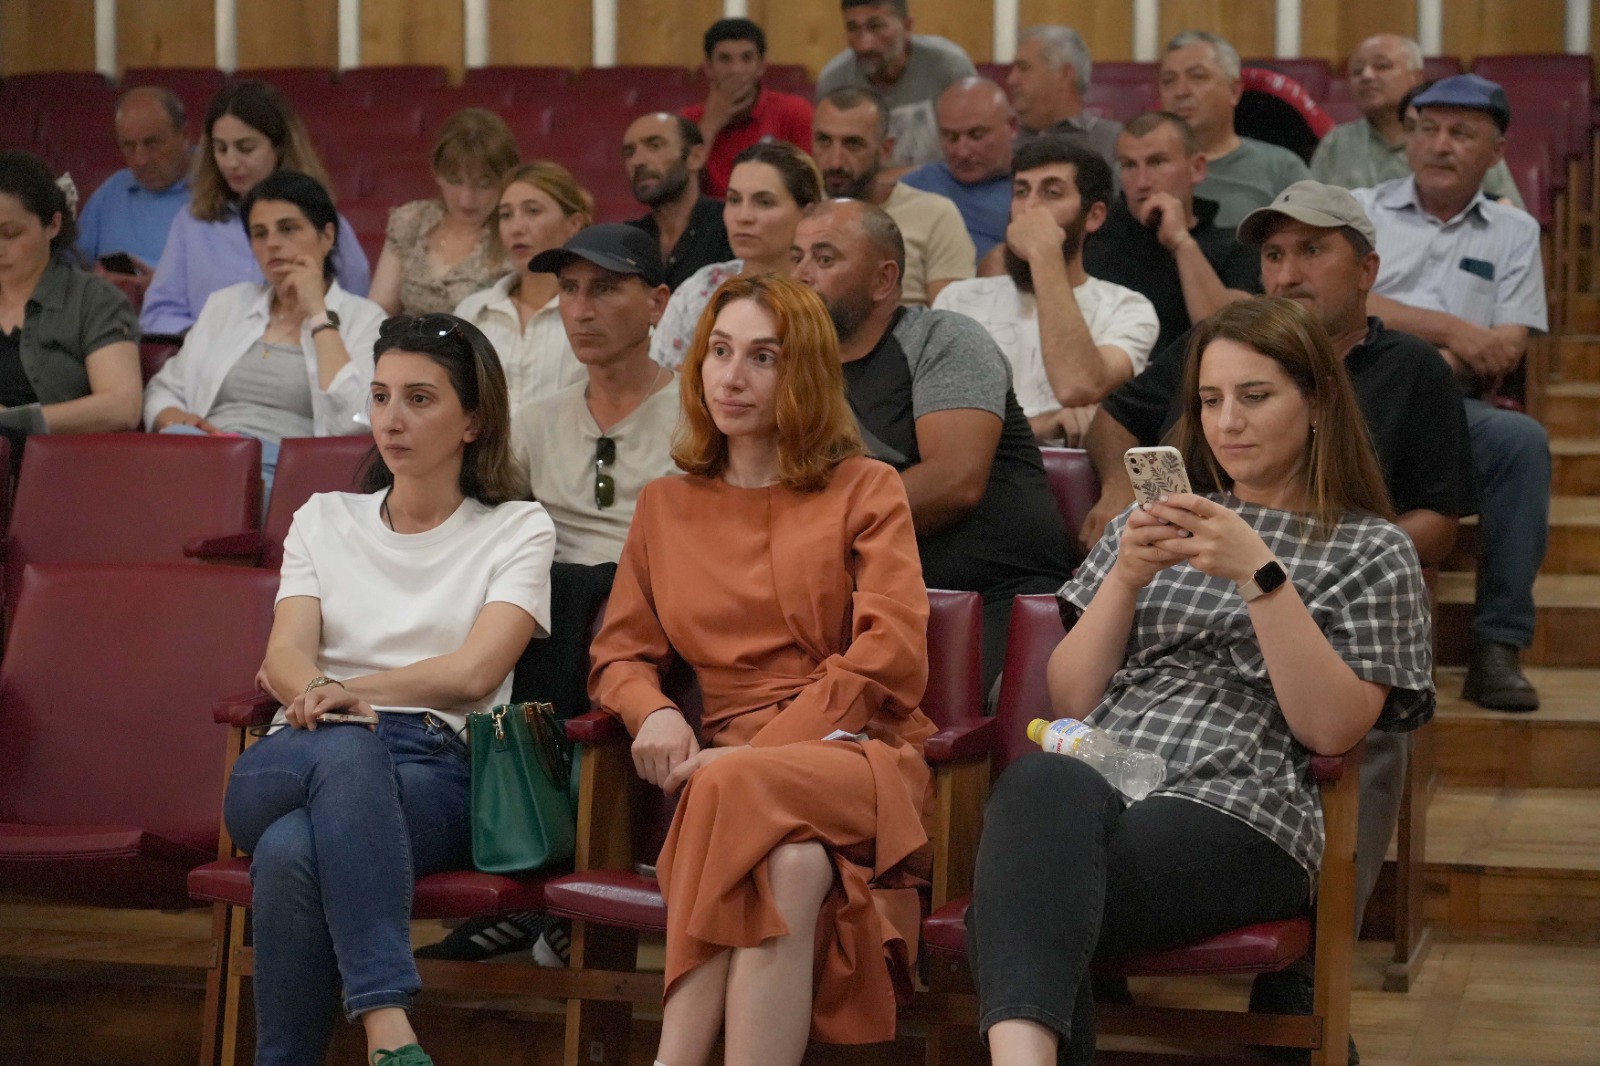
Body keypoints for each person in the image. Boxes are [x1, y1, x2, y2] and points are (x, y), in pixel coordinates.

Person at [967, 296, 1434, 1066]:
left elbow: (1331, 729)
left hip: (1241, 811)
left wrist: (1262, 577)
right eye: (1211, 401)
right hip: (1101, 782)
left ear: (1318, 404)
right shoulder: (1157, 520)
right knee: (1044, 784)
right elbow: (1071, 699)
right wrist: (1125, 578)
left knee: (1022, 894)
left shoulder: (1371, 549)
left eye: (1255, 396)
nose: (1228, 422)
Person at [1078, 184, 1476, 1033]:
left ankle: (1310, 969)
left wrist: (1309, 556)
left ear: (1366, 270)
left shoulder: (1408, 372)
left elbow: (1440, 520)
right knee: (1046, 787)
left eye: (1311, 252)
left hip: (1310, 643)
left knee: (1368, 726)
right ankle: (1079, 967)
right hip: (1127, 745)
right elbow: (1114, 414)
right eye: (1272, 255)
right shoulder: (1215, 352)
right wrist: (1117, 502)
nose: (1288, 271)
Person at [589, 271, 936, 1066]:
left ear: (803, 372)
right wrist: (655, 711)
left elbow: (889, 652)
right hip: (731, 770)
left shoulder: (867, 487)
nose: (732, 377)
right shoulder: (665, 506)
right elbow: (619, 655)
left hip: (854, 754)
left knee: (728, 786)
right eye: (718, 351)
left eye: (762, 357)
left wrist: (757, 755)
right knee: (792, 865)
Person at [227, 311, 555, 1066]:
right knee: (344, 749)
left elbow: (474, 673)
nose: (391, 419)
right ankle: (386, 1022)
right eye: (380, 397)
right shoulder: (323, 517)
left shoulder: (518, 528)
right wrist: (327, 698)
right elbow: (283, 654)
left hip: (433, 769)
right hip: (298, 752)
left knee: (291, 848)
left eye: (419, 398)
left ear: (474, 421)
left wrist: (338, 688)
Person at [794, 198, 1073, 688]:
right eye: (795, 257)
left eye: (824, 258)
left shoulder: (943, 339)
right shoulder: (792, 367)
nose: (801, 274)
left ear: (884, 280)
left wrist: (815, 531)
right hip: (869, 602)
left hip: (997, 598)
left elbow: (954, 481)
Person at [1351, 74, 1550, 712]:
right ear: (1408, 139)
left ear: (1496, 153)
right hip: (1355, 389)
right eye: (1427, 129)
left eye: (1461, 133)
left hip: (1452, 406)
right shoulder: (1361, 210)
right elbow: (1340, 303)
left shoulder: (1514, 231)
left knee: (1520, 442)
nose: (1440, 144)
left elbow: (1508, 344)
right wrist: (1453, 331)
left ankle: (1497, 647)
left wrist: (1416, 349)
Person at [143, 171, 384, 494]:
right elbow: (165, 388)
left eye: (288, 228)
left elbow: (358, 420)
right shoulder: (227, 304)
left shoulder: (365, 319)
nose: (272, 243)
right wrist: (171, 416)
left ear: (327, 237)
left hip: (290, 473)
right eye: (259, 233)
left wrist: (318, 313)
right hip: (208, 453)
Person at [934, 135, 1158, 445]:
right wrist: (1040, 426)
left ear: (1094, 216)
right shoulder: (959, 299)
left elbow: (1078, 386)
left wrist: (1043, 253)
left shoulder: (1128, 308)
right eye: (1021, 192)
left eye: (1052, 193)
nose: (1030, 208)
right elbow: (946, 421)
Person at [140, 80, 371, 335]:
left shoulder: (320, 221)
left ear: (279, 148)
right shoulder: (192, 222)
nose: (231, 162)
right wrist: (206, 340)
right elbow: (157, 314)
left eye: (246, 148)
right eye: (221, 148)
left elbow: (356, 310)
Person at [514, 224, 680, 565]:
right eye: (569, 288)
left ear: (657, 303)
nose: (580, 312)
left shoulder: (701, 416)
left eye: (604, 288)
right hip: (554, 590)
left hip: (664, 588)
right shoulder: (537, 421)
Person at [0, 150, 141, 452]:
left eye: (11, 234)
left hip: (58, 463)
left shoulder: (95, 300)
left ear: (53, 225)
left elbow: (122, 407)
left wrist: (11, 420)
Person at [1082, 111, 1258, 354]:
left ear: (1197, 168)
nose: (1142, 182)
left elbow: (1226, 338)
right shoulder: (1091, 233)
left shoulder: (1234, 246)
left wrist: (1181, 242)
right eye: (1129, 165)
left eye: (1157, 162)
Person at [652, 140, 823, 365]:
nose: (743, 217)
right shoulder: (701, 289)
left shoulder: (825, 289)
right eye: (734, 200)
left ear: (807, 213)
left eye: (764, 202)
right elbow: (660, 377)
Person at [1310, 34, 1524, 207]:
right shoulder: (1336, 142)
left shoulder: (1458, 140)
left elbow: (1509, 213)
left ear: (1416, 77)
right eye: (1356, 71)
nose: (1366, 76)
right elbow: (1310, 215)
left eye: (1381, 66)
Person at [814, 87, 975, 305]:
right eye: (823, 140)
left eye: (853, 144)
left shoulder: (935, 215)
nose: (835, 161)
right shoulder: (794, 212)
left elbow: (951, 317)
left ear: (885, 149)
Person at [453, 162, 591, 415]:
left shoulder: (594, 311)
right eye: (506, 215)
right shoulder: (473, 310)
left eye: (533, 211)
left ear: (574, 224)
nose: (516, 228)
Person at [368, 108, 517, 316]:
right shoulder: (412, 220)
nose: (466, 200)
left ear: (507, 179)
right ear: (437, 173)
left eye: (484, 185)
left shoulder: (516, 233)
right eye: (455, 181)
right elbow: (378, 312)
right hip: (407, 336)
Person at [1158, 31, 1310, 229]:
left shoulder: (1281, 168)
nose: (1181, 91)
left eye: (1197, 77)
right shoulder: (1137, 169)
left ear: (1234, 91)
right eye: (1169, 81)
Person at [815, 0, 976, 169]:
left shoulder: (948, 66)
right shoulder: (835, 81)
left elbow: (974, 148)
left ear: (907, 26)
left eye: (876, 27)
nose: (864, 45)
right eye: (853, 28)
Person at [75, 86, 193, 297]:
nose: (141, 160)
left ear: (185, 136)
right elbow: (70, 268)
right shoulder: (112, 192)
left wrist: (166, 289)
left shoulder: (219, 189)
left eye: (152, 144)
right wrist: (93, 280)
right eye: (129, 146)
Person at [685, 18, 815, 199]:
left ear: (762, 65)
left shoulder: (796, 112)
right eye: (725, 59)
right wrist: (709, 125)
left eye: (746, 58)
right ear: (708, 67)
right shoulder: (688, 120)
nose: (736, 70)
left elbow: (811, 185)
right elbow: (678, 188)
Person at [900, 77, 1017, 259]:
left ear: (1011, 127)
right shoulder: (916, 186)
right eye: (951, 137)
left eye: (976, 135)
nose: (962, 152)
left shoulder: (1033, 190)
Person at [623, 112, 735, 292]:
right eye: (629, 152)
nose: (637, 161)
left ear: (695, 157)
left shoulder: (732, 227)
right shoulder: (626, 241)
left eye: (655, 145)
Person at [1006, 25, 1122, 167]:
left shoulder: (1114, 142)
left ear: (1064, 74)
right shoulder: (1003, 144)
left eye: (1024, 68)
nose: (1011, 80)